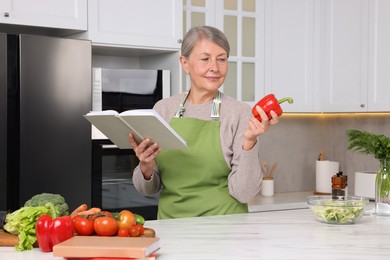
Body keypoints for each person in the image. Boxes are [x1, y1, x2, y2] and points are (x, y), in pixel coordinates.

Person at [129, 25, 279, 219]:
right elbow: (147, 189)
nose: (215, 68)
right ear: (184, 63)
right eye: (205, 58)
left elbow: (245, 193)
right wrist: (145, 167)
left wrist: (250, 144)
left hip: (225, 227)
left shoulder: (238, 112)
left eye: (222, 59)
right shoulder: (163, 109)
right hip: (171, 227)